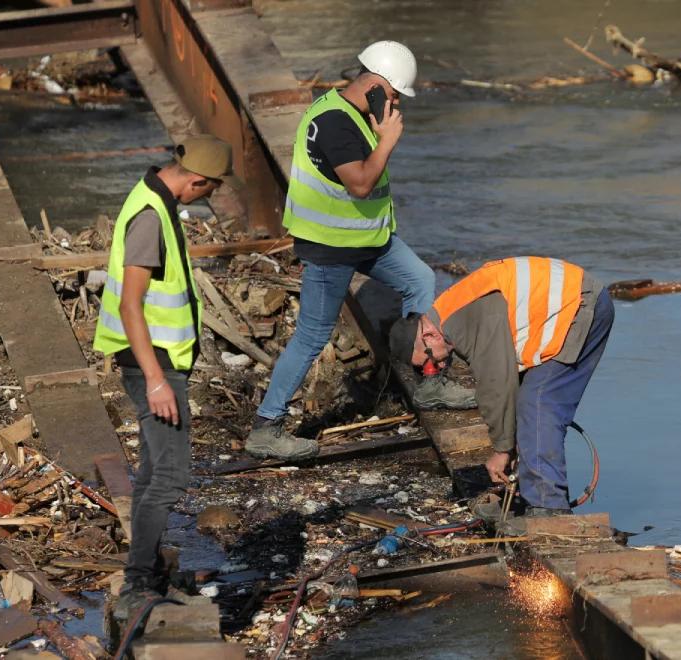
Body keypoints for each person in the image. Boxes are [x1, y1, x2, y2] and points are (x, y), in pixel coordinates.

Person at [248, 40, 455, 458]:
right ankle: (267, 427)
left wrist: (380, 134)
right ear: (377, 86)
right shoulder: (335, 123)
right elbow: (360, 183)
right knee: (312, 335)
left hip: (366, 239)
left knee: (419, 279)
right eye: (395, 95)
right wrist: (388, 140)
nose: (396, 104)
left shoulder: (353, 112)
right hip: (331, 247)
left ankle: (429, 378)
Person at [93, 134, 239, 619]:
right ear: (196, 180)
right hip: (152, 363)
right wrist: (156, 380)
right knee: (171, 475)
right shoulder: (152, 218)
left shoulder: (154, 195)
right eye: (210, 190)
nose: (208, 198)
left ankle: (150, 575)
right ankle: (138, 583)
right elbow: (129, 303)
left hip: (156, 360)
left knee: (155, 471)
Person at [388, 257, 615, 527]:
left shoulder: (462, 322)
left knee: (538, 403)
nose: (436, 367)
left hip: (579, 306)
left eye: (429, 362)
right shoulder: (448, 317)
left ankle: (549, 509)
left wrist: (502, 449)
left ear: (428, 337)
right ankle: (531, 495)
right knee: (526, 404)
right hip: (567, 304)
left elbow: (496, 384)